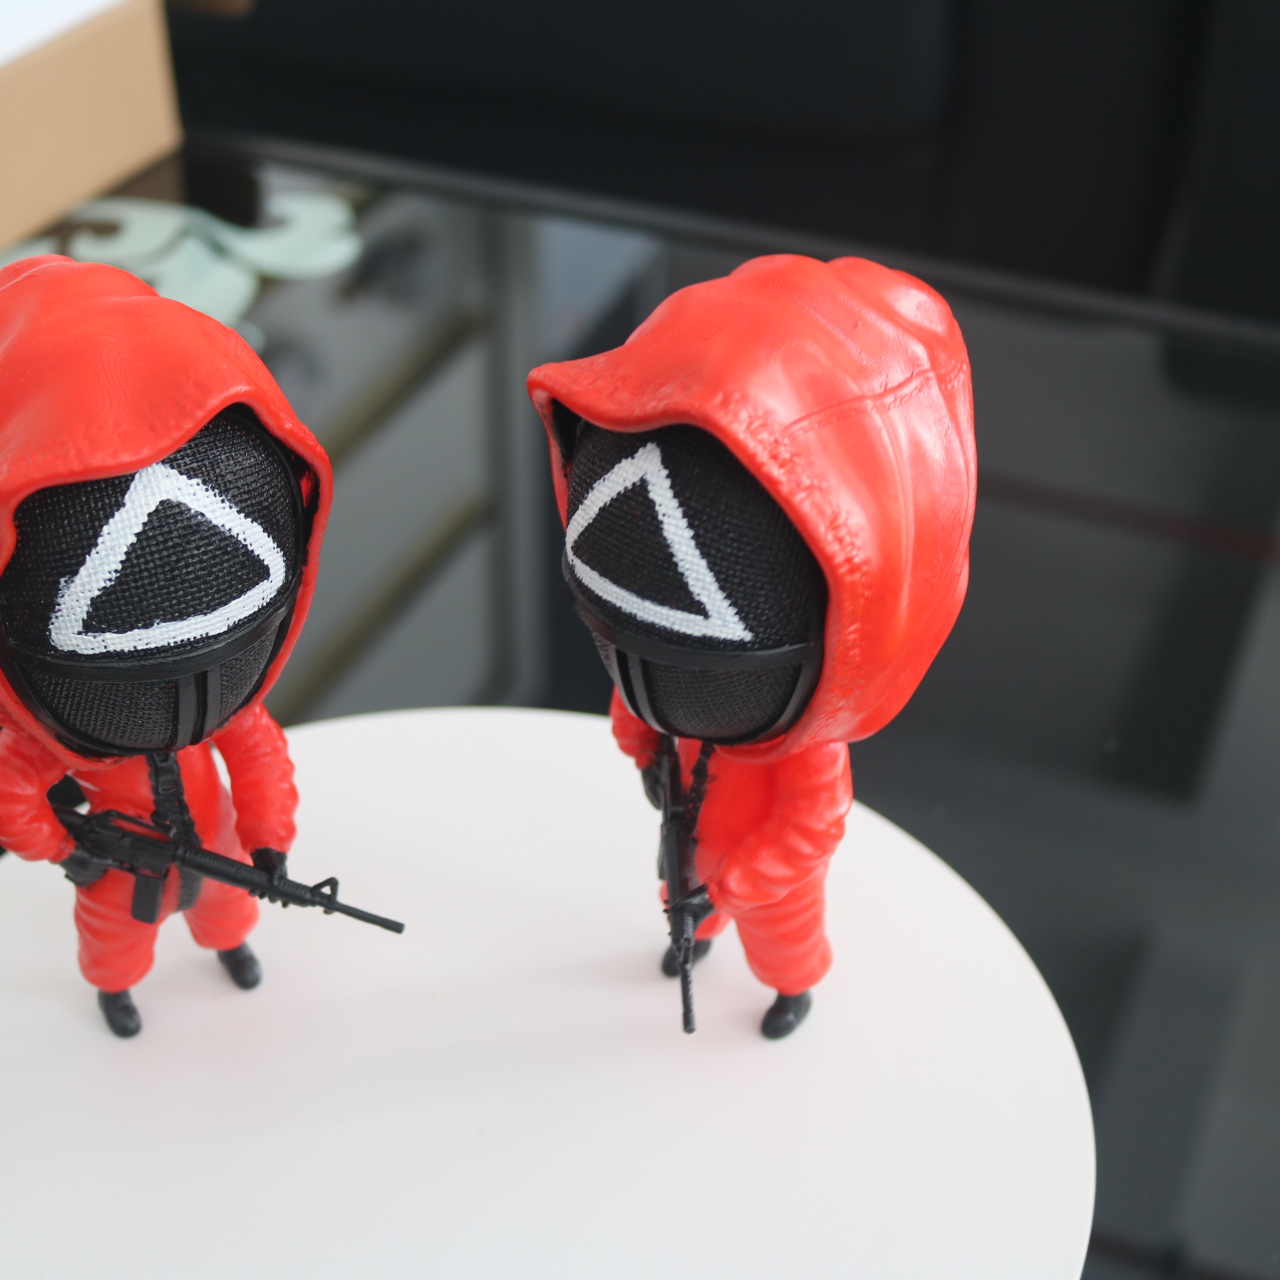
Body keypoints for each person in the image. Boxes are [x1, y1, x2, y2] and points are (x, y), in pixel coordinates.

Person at [528, 254, 976, 1037]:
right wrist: (646, 749)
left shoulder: (805, 748)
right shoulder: (667, 688)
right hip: (693, 834)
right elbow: (637, 700)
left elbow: (811, 826)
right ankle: (696, 936)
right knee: (682, 898)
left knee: (781, 937)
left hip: (761, 877)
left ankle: (791, 988)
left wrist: (739, 884)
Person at [0, 255, 331, 1037]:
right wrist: (67, 850)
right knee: (115, 940)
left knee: (229, 909)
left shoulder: (227, 710)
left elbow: (259, 754)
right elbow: (14, 790)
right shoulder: (67, 737)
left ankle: (231, 946)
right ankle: (115, 991)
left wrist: (269, 841)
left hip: (215, 845)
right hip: (124, 865)